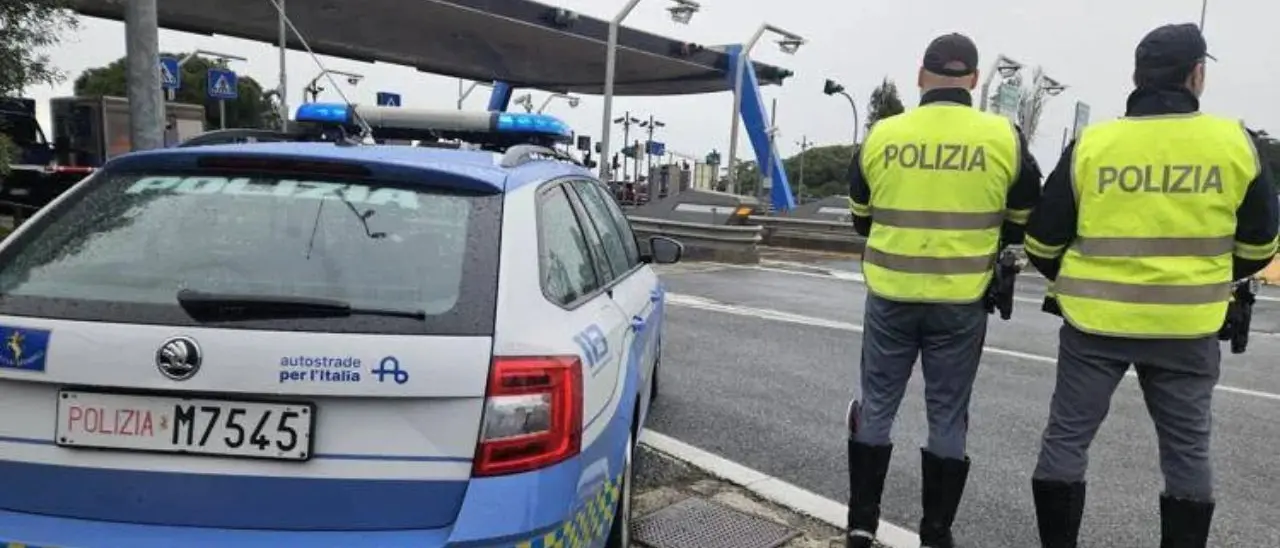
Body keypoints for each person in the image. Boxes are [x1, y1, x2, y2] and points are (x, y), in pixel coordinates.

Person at [1023, 23, 1279, 548]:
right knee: (1188, 454)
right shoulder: (1235, 143)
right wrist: (1208, 279)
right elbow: (1261, 244)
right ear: (1197, 76)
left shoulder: (1094, 144)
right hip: (1189, 327)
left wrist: (1076, 282)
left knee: (1067, 441)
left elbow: (1043, 241)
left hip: (1093, 325)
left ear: (1137, 77)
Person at [844, 33, 1043, 548]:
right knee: (948, 416)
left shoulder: (883, 135)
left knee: (877, 406)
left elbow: (861, 219)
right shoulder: (1004, 136)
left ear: (920, 75)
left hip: (890, 294)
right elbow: (1023, 219)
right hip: (962, 300)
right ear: (974, 80)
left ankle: (862, 524)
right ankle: (935, 532)